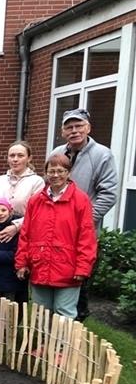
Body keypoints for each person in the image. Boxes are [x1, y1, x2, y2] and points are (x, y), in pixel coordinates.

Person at [50, 108, 119, 321]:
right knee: (57, 277)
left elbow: (108, 193)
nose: (74, 131)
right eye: (69, 127)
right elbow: (49, 184)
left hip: (82, 231)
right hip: (57, 229)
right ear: (62, 131)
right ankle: (56, 322)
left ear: (88, 128)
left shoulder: (102, 155)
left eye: (79, 126)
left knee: (78, 278)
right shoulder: (58, 153)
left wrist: (85, 220)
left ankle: (76, 323)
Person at [15, 154, 97, 319]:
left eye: (60, 171)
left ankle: (62, 346)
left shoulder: (81, 200)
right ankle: (44, 344)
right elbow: (26, 234)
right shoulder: (35, 200)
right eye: (51, 171)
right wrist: (22, 262)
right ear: (46, 173)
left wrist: (83, 267)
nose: (55, 175)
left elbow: (86, 236)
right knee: (41, 312)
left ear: (68, 173)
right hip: (40, 264)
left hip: (68, 267)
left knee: (64, 312)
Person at [0, 141, 44, 242]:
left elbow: (38, 212)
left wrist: (16, 227)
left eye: (20, 155)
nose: (15, 159)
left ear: (29, 158)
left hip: (24, 236)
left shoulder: (36, 181)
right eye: (12, 156)